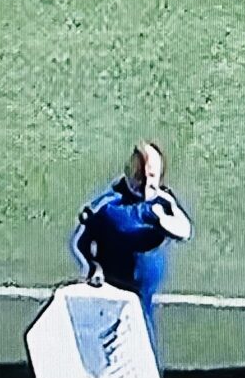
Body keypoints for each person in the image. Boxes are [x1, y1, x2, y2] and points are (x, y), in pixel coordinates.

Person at [69, 142, 193, 365]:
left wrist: (163, 218)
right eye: (142, 176)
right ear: (132, 174)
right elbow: (81, 241)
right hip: (118, 284)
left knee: (143, 339)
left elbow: (184, 230)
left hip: (144, 291)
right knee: (113, 337)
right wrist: (93, 266)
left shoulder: (162, 202)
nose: (147, 184)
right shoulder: (109, 207)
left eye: (153, 177)